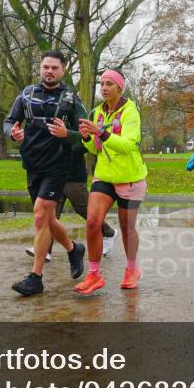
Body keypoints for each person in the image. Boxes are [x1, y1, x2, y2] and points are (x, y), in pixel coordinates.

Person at [5, 51, 88, 297]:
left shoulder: (71, 99)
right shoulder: (27, 94)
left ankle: (36, 278)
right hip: (33, 164)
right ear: (40, 68)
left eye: (54, 68)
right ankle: (73, 249)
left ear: (63, 71)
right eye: (45, 67)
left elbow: (87, 135)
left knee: (41, 214)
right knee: (48, 219)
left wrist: (67, 134)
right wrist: (12, 133)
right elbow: (9, 122)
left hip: (58, 165)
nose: (49, 71)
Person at [77, 69, 147, 294]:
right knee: (92, 222)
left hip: (130, 177)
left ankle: (132, 269)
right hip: (105, 175)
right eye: (102, 84)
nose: (104, 88)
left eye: (109, 84)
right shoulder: (98, 112)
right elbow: (95, 148)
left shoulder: (130, 111)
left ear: (120, 87)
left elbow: (128, 145)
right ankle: (94, 275)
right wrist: (87, 137)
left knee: (127, 227)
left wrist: (102, 133)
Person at [23, 144, 118, 262]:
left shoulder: (77, 130)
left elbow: (85, 146)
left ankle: (109, 233)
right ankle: (45, 249)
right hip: (54, 176)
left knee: (85, 210)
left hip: (73, 177)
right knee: (51, 214)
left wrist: (62, 146)